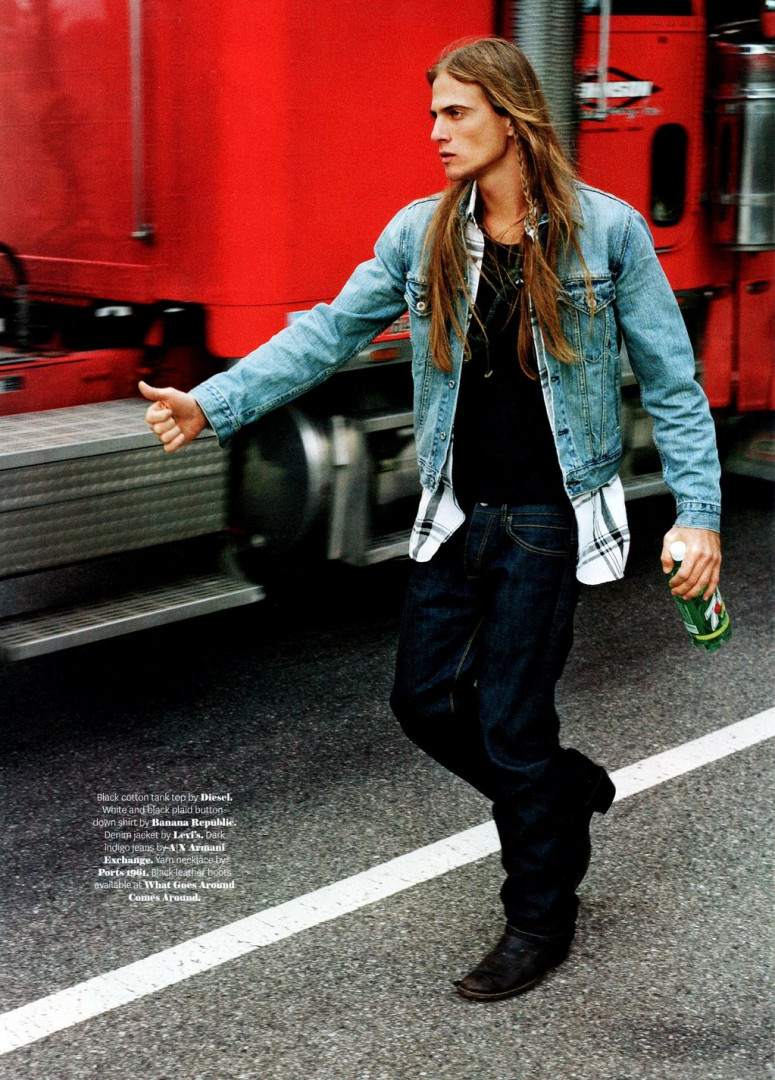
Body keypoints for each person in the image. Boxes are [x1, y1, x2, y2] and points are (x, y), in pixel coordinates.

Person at [140, 37, 722, 1002]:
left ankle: (538, 916)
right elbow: (327, 333)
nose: (437, 133)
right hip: (454, 512)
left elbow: (672, 382)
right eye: (433, 115)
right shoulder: (422, 234)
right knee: (423, 702)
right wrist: (213, 403)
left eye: (455, 113)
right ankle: (561, 790)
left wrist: (697, 515)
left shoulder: (607, 233)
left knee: (511, 722)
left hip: (547, 518)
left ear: (511, 118)